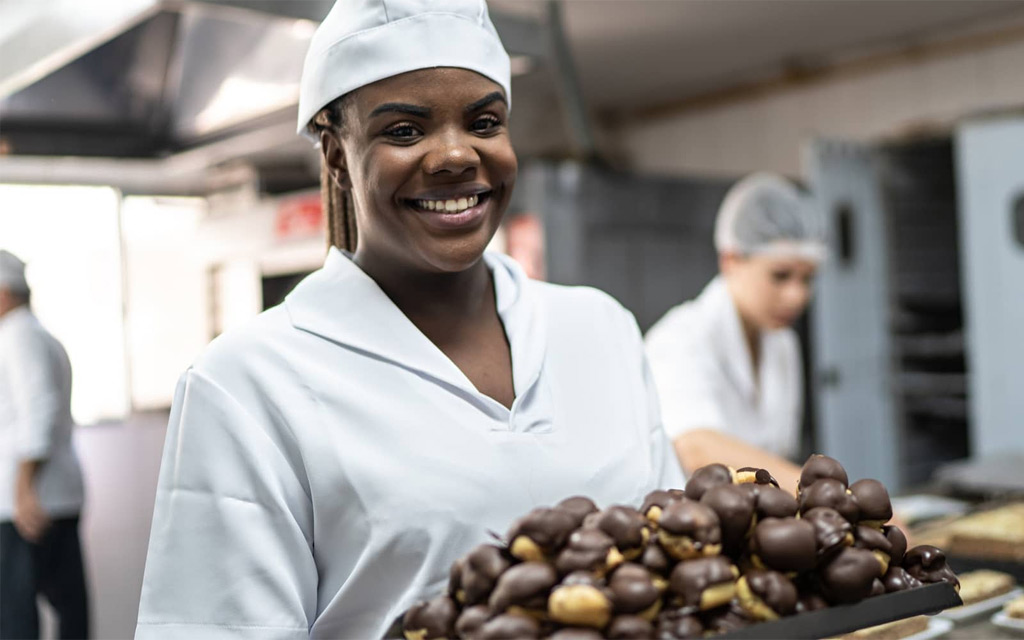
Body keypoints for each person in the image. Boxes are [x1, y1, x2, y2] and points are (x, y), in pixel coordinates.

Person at [134, 1, 684, 637]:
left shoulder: (599, 329)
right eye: (404, 131)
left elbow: (677, 568)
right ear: (337, 157)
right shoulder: (247, 384)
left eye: (484, 122)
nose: (455, 155)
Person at [645, 174, 823, 493]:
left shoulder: (782, 344)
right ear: (731, 260)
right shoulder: (681, 338)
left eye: (807, 279)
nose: (797, 295)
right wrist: (820, 493)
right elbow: (695, 445)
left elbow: (775, 454)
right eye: (780, 276)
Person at [0, 250, 89, 639]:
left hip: (27, 504)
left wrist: (22, 489)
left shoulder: (19, 336)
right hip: (51, 495)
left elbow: (38, 410)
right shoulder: (37, 335)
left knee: (16, 616)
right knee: (68, 607)